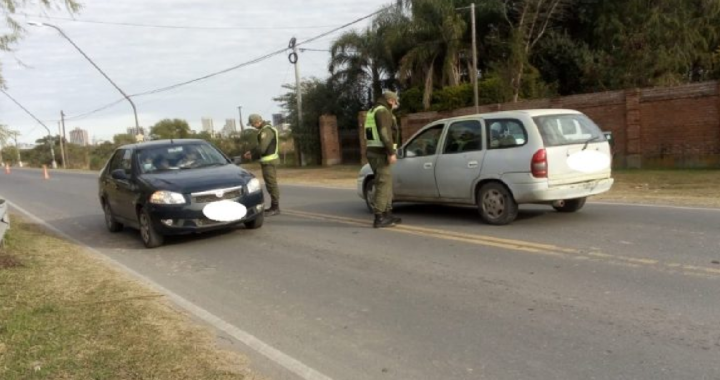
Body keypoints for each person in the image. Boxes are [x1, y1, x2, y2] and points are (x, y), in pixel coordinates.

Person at [364, 90, 402, 228]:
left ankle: (388, 214)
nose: (395, 105)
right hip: (380, 153)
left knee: (386, 183)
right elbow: (384, 133)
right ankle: (379, 218)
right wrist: (391, 152)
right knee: (382, 184)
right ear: (391, 101)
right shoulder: (383, 111)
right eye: (395, 102)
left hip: (373, 152)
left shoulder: (373, 110)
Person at [243, 114, 281, 216]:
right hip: (267, 161)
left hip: (269, 162)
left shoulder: (266, 131)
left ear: (256, 122)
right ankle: (274, 206)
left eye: (252, 124)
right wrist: (251, 151)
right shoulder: (264, 130)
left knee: (271, 184)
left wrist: (252, 156)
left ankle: (275, 207)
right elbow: (260, 146)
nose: (252, 126)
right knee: (270, 184)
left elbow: (263, 148)